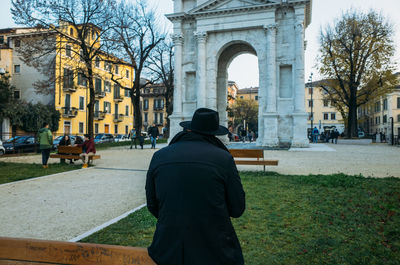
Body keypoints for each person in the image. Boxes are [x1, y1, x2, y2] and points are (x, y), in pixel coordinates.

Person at [146, 108, 246, 265]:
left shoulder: (159, 156)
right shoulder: (223, 158)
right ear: (213, 134)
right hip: (215, 251)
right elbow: (237, 208)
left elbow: (152, 205)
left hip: (167, 250)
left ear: (189, 129)